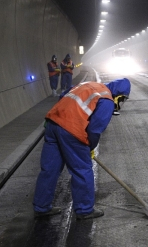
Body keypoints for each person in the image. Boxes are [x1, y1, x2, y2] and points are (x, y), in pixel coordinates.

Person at [33, 78, 131, 219]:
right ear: (118, 94)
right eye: (122, 99)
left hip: (52, 124)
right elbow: (95, 129)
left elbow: (63, 96)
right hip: (71, 129)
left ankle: (41, 206)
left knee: (49, 169)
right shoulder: (107, 99)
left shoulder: (88, 85)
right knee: (82, 169)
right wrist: (89, 147)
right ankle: (84, 209)